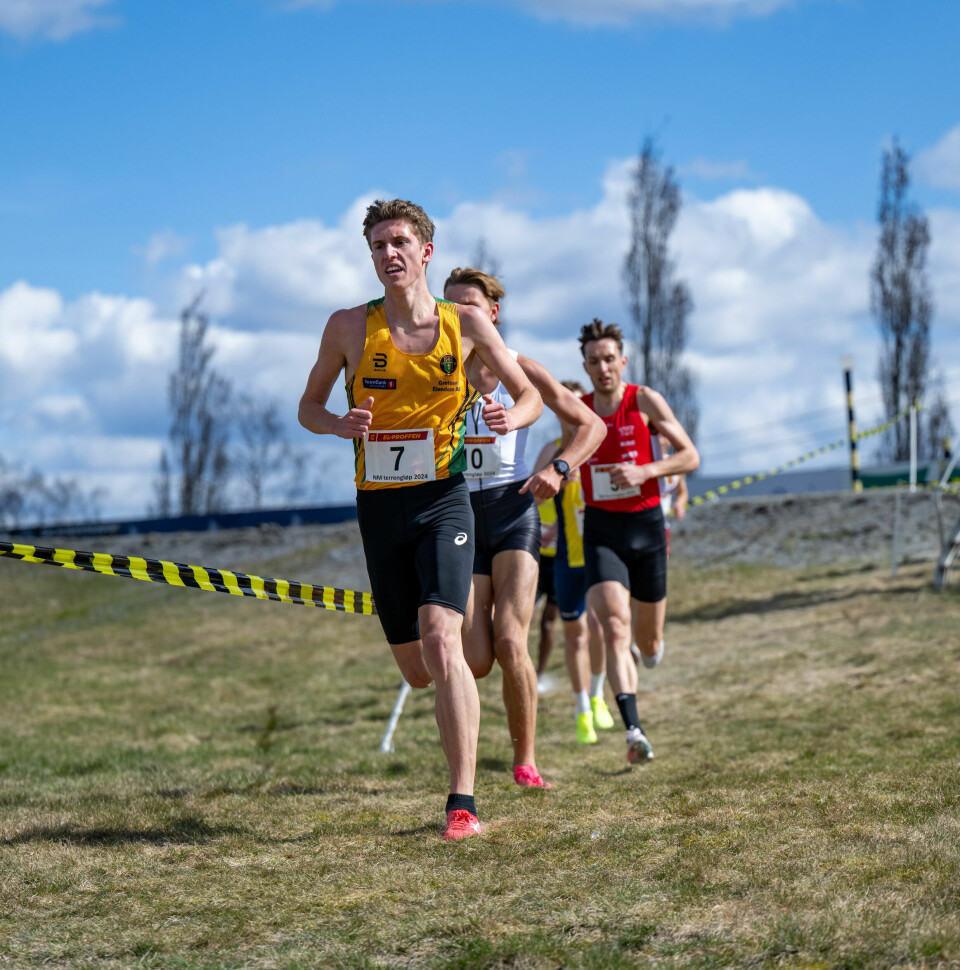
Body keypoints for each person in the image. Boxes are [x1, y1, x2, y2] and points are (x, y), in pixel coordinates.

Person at [298, 200, 542, 841]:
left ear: (425, 252)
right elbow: (307, 407)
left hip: (443, 498)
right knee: (417, 666)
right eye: (378, 246)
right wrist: (337, 423)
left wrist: (509, 418)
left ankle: (462, 803)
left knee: (442, 637)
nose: (389, 254)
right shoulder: (349, 327)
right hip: (380, 506)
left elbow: (531, 396)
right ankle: (457, 703)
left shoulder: (465, 324)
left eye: (399, 242)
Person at [442, 267, 605, 790]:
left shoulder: (521, 368)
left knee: (511, 642)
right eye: (449, 308)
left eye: (469, 307)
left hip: (512, 512)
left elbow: (592, 425)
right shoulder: (437, 372)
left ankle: (526, 761)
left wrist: (559, 468)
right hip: (459, 517)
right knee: (475, 658)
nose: (458, 317)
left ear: (492, 313)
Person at [578, 319, 699, 765]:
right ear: (585, 366)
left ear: (623, 361)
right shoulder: (580, 409)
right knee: (613, 624)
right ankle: (634, 731)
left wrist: (645, 471)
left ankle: (644, 650)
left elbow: (690, 455)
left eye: (609, 359)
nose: (603, 368)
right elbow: (567, 452)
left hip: (646, 528)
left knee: (648, 647)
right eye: (594, 361)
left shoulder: (644, 400)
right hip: (601, 530)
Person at [534, 498, 560, 694]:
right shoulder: (531, 479)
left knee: (548, 624)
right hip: (534, 555)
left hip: (559, 560)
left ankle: (539, 674)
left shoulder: (570, 482)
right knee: (522, 617)